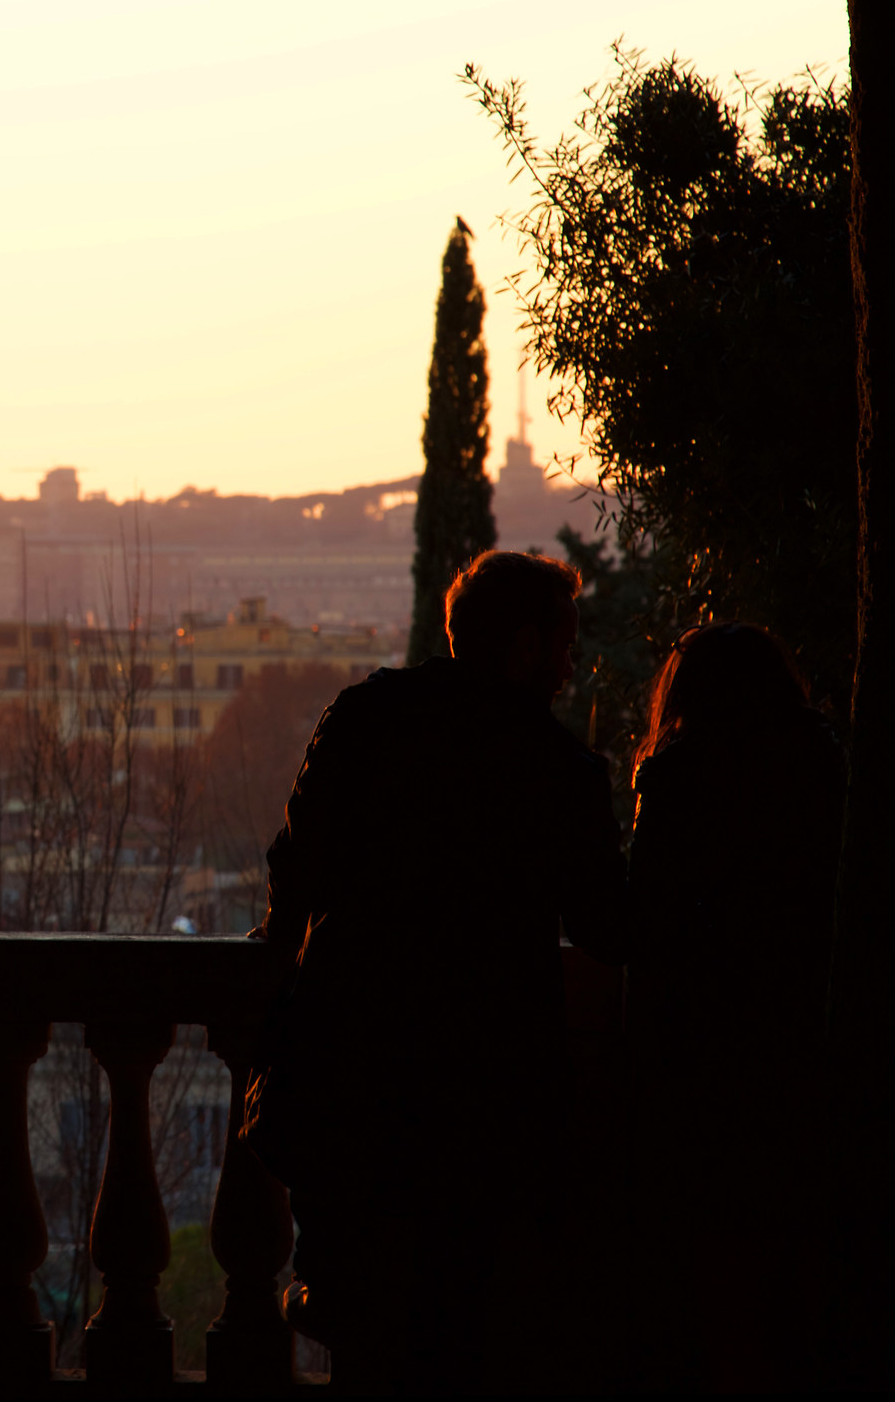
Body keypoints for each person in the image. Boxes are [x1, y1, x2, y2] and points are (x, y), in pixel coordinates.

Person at [240, 549, 626, 1391]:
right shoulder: (558, 769)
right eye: (564, 647)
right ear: (526, 645)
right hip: (486, 1113)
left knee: (363, 1331)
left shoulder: (363, 718)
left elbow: (296, 865)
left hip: (350, 1093)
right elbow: (608, 926)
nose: (571, 668)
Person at [625, 624, 843, 1392]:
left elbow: (643, 919)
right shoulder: (823, 764)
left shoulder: (678, 777)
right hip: (799, 1039)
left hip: (699, 1054)